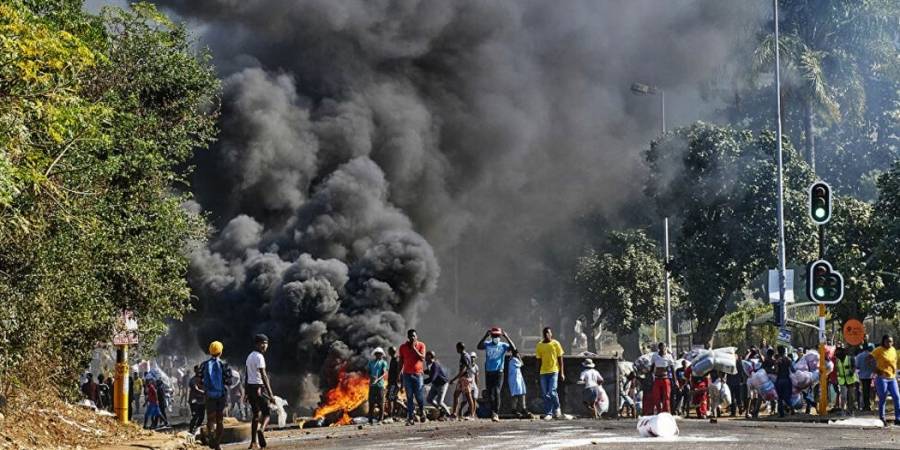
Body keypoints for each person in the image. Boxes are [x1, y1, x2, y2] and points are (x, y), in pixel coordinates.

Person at [477, 327, 516, 422]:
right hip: (489, 371)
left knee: (497, 391)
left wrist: (507, 337)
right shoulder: (487, 344)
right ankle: (492, 412)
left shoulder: (503, 345)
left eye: (497, 336)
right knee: (490, 393)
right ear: (491, 336)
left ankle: (496, 413)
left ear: (500, 336)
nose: (496, 337)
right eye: (494, 336)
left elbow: (514, 349)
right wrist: (485, 336)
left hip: (499, 372)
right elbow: (479, 346)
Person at [246, 334, 275, 448]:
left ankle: (253, 442)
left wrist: (246, 392)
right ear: (257, 344)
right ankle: (261, 429)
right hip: (259, 388)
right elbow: (264, 376)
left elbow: (247, 375)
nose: (265, 346)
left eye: (266, 343)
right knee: (267, 413)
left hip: (250, 388)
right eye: (262, 343)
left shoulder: (249, 356)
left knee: (255, 415)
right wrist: (270, 394)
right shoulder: (259, 357)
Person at [202, 340, 232, 450]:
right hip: (221, 396)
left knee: (210, 419)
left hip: (209, 396)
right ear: (221, 352)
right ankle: (217, 444)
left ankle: (210, 435)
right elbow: (229, 382)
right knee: (220, 420)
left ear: (210, 352)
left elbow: (200, 380)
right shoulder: (224, 365)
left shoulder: (204, 365)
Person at [535, 327, 565, 421]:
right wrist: (537, 374)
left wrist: (562, 373)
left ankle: (557, 408)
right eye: (545, 333)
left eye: (549, 333)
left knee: (552, 391)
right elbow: (538, 361)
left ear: (551, 334)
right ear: (543, 334)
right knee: (545, 394)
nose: (547, 334)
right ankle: (549, 413)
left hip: (554, 371)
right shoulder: (539, 345)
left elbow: (560, 359)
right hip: (543, 372)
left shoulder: (556, 344)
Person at [398, 329, 427, 425]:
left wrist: (414, 348)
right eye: (410, 336)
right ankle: (410, 418)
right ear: (408, 337)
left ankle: (422, 412)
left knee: (419, 396)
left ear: (416, 336)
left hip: (418, 375)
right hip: (407, 375)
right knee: (409, 397)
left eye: (414, 336)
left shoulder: (421, 345)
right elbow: (401, 361)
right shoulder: (402, 347)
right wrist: (399, 373)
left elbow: (422, 358)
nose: (412, 338)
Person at [868, 335, 899, 425]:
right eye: (887, 341)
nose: (889, 343)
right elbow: (868, 359)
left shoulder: (893, 349)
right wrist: (875, 369)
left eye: (891, 341)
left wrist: (895, 372)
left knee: (897, 397)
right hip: (882, 378)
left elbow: (894, 362)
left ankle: (898, 418)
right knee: (883, 398)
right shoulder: (879, 349)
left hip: (892, 377)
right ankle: (882, 418)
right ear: (883, 341)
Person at [449, 342, 476, 420]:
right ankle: (454, 414)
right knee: (456, 395)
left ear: (460, 348)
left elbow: (463, 370)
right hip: (462, 379)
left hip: (465, 379)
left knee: (468, 396)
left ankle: (471, 415)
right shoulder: (463, 355)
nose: (456, 350)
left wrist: (454, 379)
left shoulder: (465, 356)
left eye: (457, 348)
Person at [424, 351, 451, 418]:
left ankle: (449, 414)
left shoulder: (435, 364)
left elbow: (432, 377)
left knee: (440, 402)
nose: (425, 357)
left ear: (430, 356)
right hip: (435, 384)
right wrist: (421, 371)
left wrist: (421, 382)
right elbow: (429, 372)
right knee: (429, 399)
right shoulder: (428, 363)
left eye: (426, 355)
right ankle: (441, 410)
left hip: (442, 384)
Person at [649, 342, 675, 414]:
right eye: (662, 347)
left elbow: (672, 369)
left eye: (665, 347)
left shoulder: (669, 356)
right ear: (659, 348)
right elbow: (652, 368)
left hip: (665, 378)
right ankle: (659, 411)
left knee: (666, 396)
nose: (664, 349)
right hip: (657, 379)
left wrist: (675, 380)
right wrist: (650, 377)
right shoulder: (655, 356)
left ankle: (666, 412)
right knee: (656, 397)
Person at [835, 345, 858, 415]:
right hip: (842, 381)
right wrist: (836, 379)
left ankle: (850, 411)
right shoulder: (837, 361)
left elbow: (854, 367)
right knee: (843, 396)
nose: (837, 353)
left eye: (839, 351)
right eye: (837, 352)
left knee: (851, 397)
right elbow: (837, 370)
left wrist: (852, 371)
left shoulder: (850, 358)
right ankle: (843, 411)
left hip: (851, 380)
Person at [367, 347, 389, 424]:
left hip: (380, 386)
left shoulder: (383, 363)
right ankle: (370, 420)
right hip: (372, 385)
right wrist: (371, 377)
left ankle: (380, 419)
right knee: (371, 403)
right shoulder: (371, 362)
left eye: (380, 354)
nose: (378, 355)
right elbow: (368, 372)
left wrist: (378, 379)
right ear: (375, 354)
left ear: (382, 355)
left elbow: (384, 373)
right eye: (377, 354)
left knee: (381, 403)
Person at [774, 345, 794, 418]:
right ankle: (791, 407)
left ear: (778, 352)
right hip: (787, 380)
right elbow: (792, 369)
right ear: (784, 351)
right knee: (787, 396)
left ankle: (781, 413)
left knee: (780, 398)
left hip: (779, 380)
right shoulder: (789, 359)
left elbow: (776, 371)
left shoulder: (777, 361)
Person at [507, 349, 528, 418]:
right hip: (515, 380)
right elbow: (522, 363)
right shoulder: (514, 360)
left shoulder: (513, 360)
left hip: (518, 379)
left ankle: (523, 408)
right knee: (516, 395)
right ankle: (514, 409)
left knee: (521, 393)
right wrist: (519, 357)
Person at [855, 343, 875, 411]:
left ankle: (865, 406)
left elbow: (857, 366)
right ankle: (868, 405)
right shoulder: (872, 355)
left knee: (864, 390)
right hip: (870, 376)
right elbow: (874, 365)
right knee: (869, 390)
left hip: (862, 376)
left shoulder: (859, 356)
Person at [187, 365, 205, 434]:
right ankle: (191, 431)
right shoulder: (192, 380)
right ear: (195, 371)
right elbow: (195, 388)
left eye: (200, 370)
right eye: (197, 370)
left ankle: (197, 429)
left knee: (202, 417)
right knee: (195, 416)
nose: (199, 371)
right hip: (194, 401)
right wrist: (204, 392)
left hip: (202, 401)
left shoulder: (203, 379)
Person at [385, 346, 401, 419]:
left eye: (389, 351)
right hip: (393, 383)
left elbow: (398, 372)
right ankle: (394, 414)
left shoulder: (396, 360)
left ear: (390, 352)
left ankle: (391, 414)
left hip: (394, 384)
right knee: (393, 398)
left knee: (390, 398)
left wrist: (397, 383)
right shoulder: (394, 359)